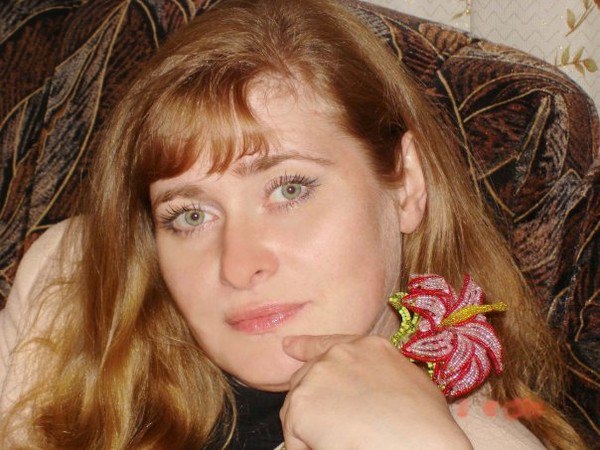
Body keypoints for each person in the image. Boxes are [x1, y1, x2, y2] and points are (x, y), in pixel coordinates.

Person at [0, 0, 586, 448]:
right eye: (191, 214)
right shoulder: (73, 295)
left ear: (406, 183)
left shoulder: (466, 438)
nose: (239, 265)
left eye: (289, 189)